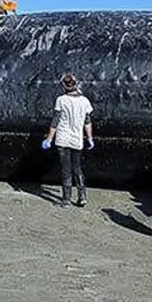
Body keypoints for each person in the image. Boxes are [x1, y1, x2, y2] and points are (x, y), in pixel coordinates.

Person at [41, 72, 94, 207]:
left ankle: (66, 200)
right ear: (76, 84)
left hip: (63, 139)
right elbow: (87, 122)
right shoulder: (84, 101)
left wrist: (49, 139)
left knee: (66, 169)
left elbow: (55, 121)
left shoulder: (61, 100)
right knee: (77, 168)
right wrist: (90, 138)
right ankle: (82, 197)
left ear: (63, 85)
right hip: (77, 140)